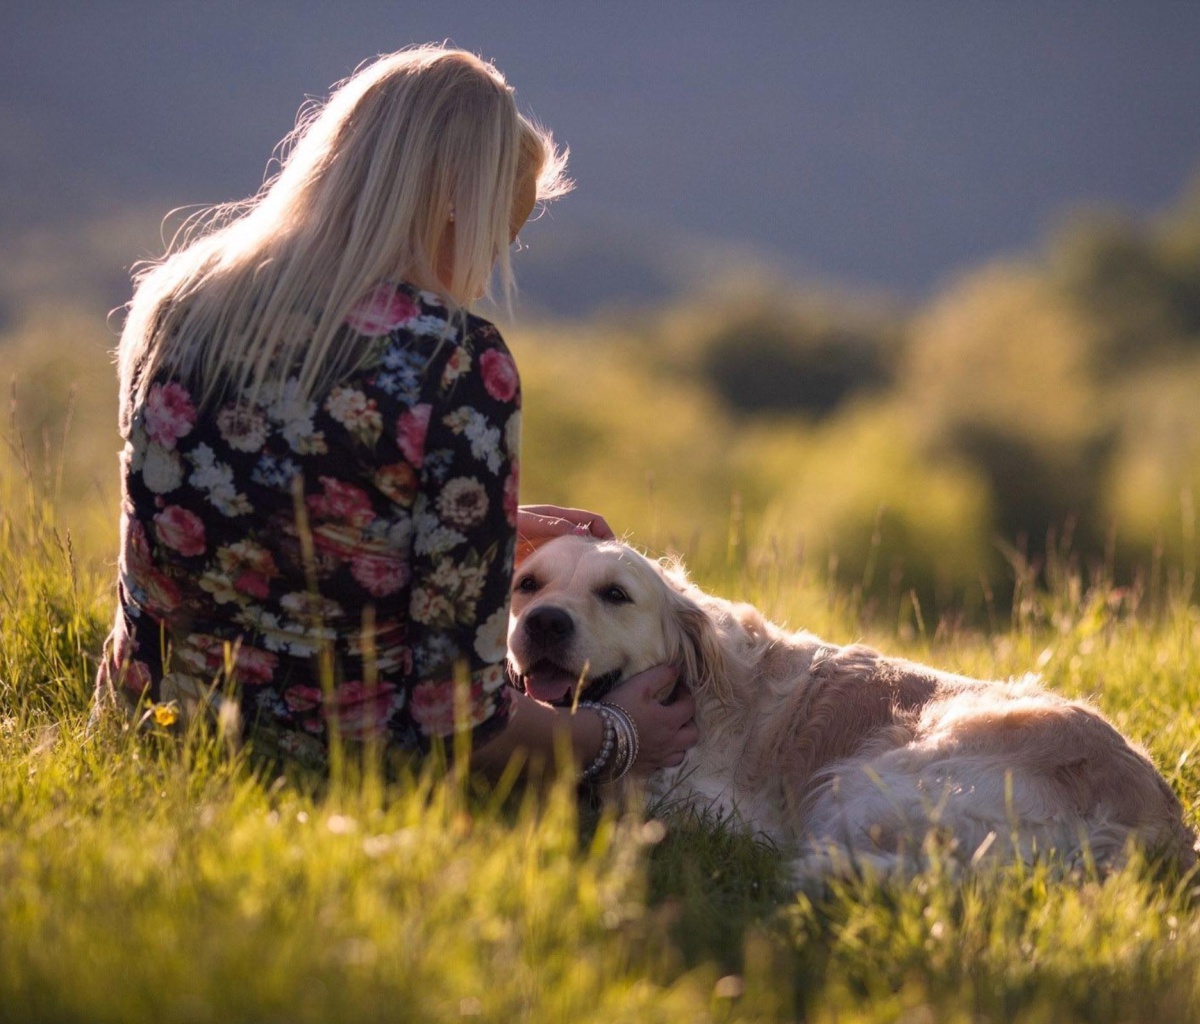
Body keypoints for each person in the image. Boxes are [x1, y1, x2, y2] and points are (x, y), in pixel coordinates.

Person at [93, 44, 697, 782]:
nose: (477, 278)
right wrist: (619, 735)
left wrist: (476, 538)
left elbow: (235, 517)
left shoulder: (175, 303)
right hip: (340, 768)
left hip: (150, 732)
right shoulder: (454, 358)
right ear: (453, 206)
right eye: (495, 235)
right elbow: (463, 726)